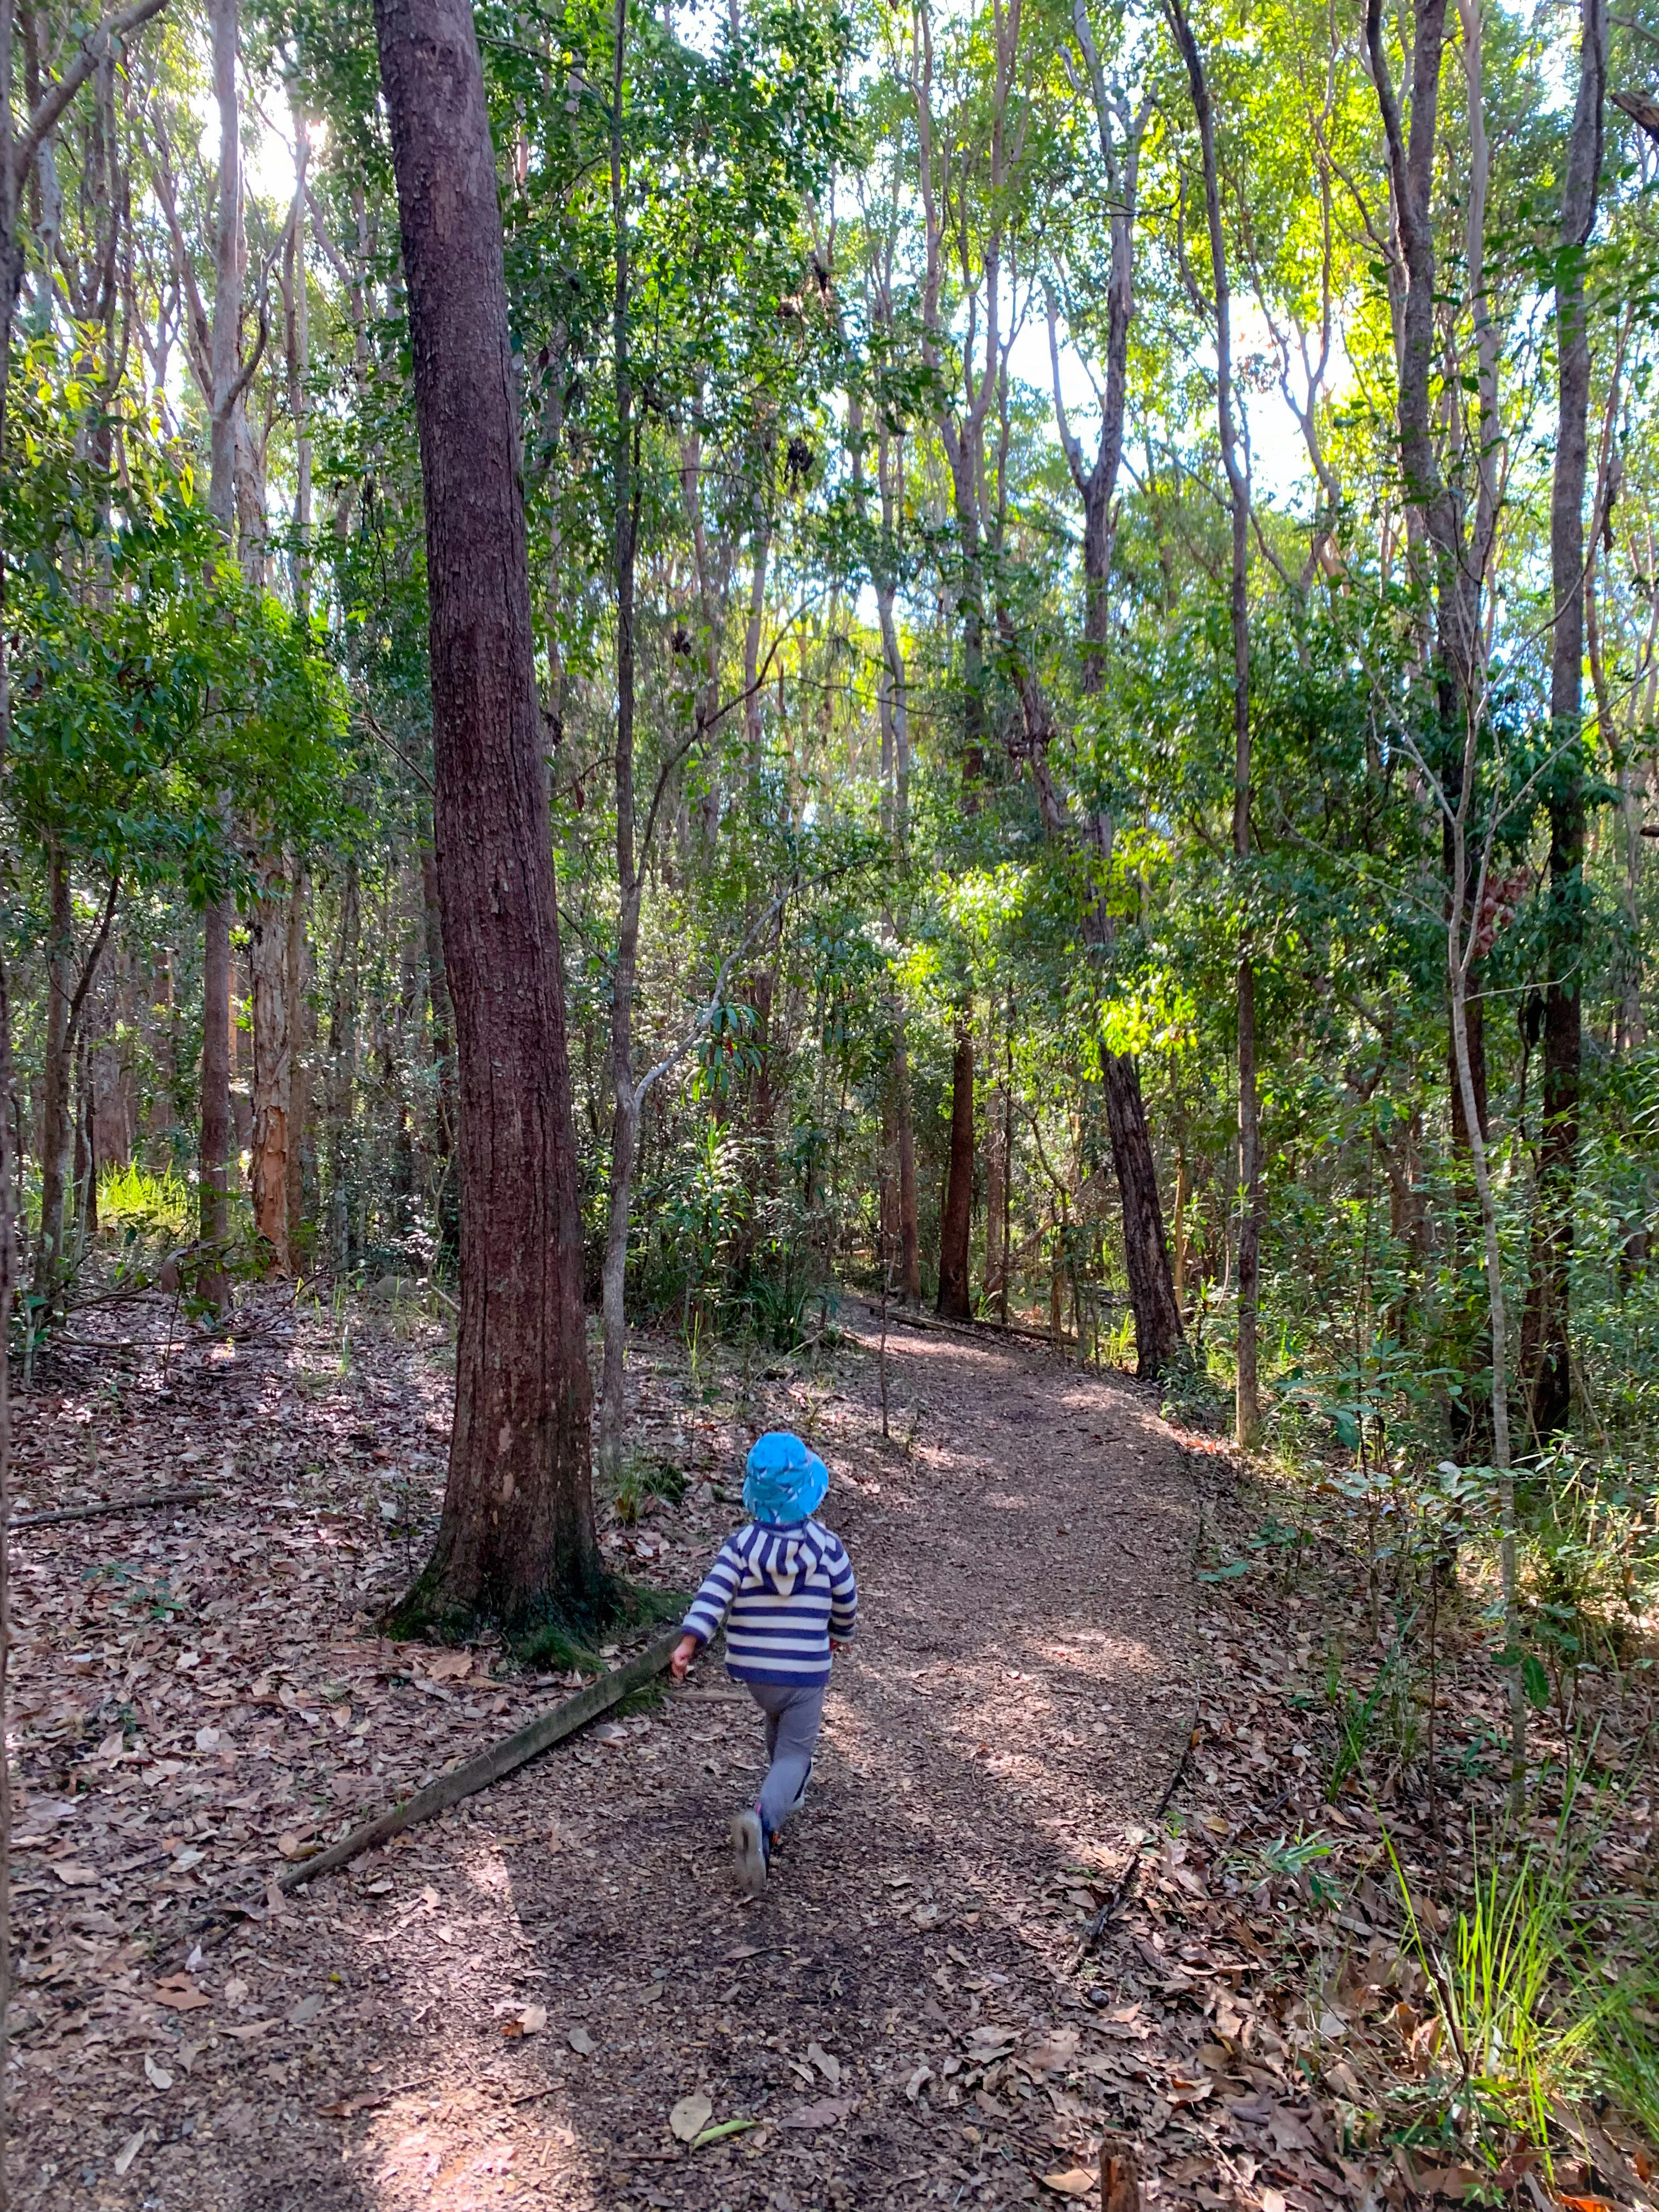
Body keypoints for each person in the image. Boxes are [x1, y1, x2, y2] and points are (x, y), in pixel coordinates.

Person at [670, 1430, 857, 1895]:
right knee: (796, 1752)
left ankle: (777, 1802)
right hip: (806, 1670)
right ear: (808, 1492)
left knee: (780, 1726)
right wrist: (840, 1634)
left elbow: (713, 1595)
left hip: (756, 1673)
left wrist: (690, 1642)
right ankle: (763, 1818)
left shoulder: (741, 1546)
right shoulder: (828, 1547)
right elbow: (846, 1600)